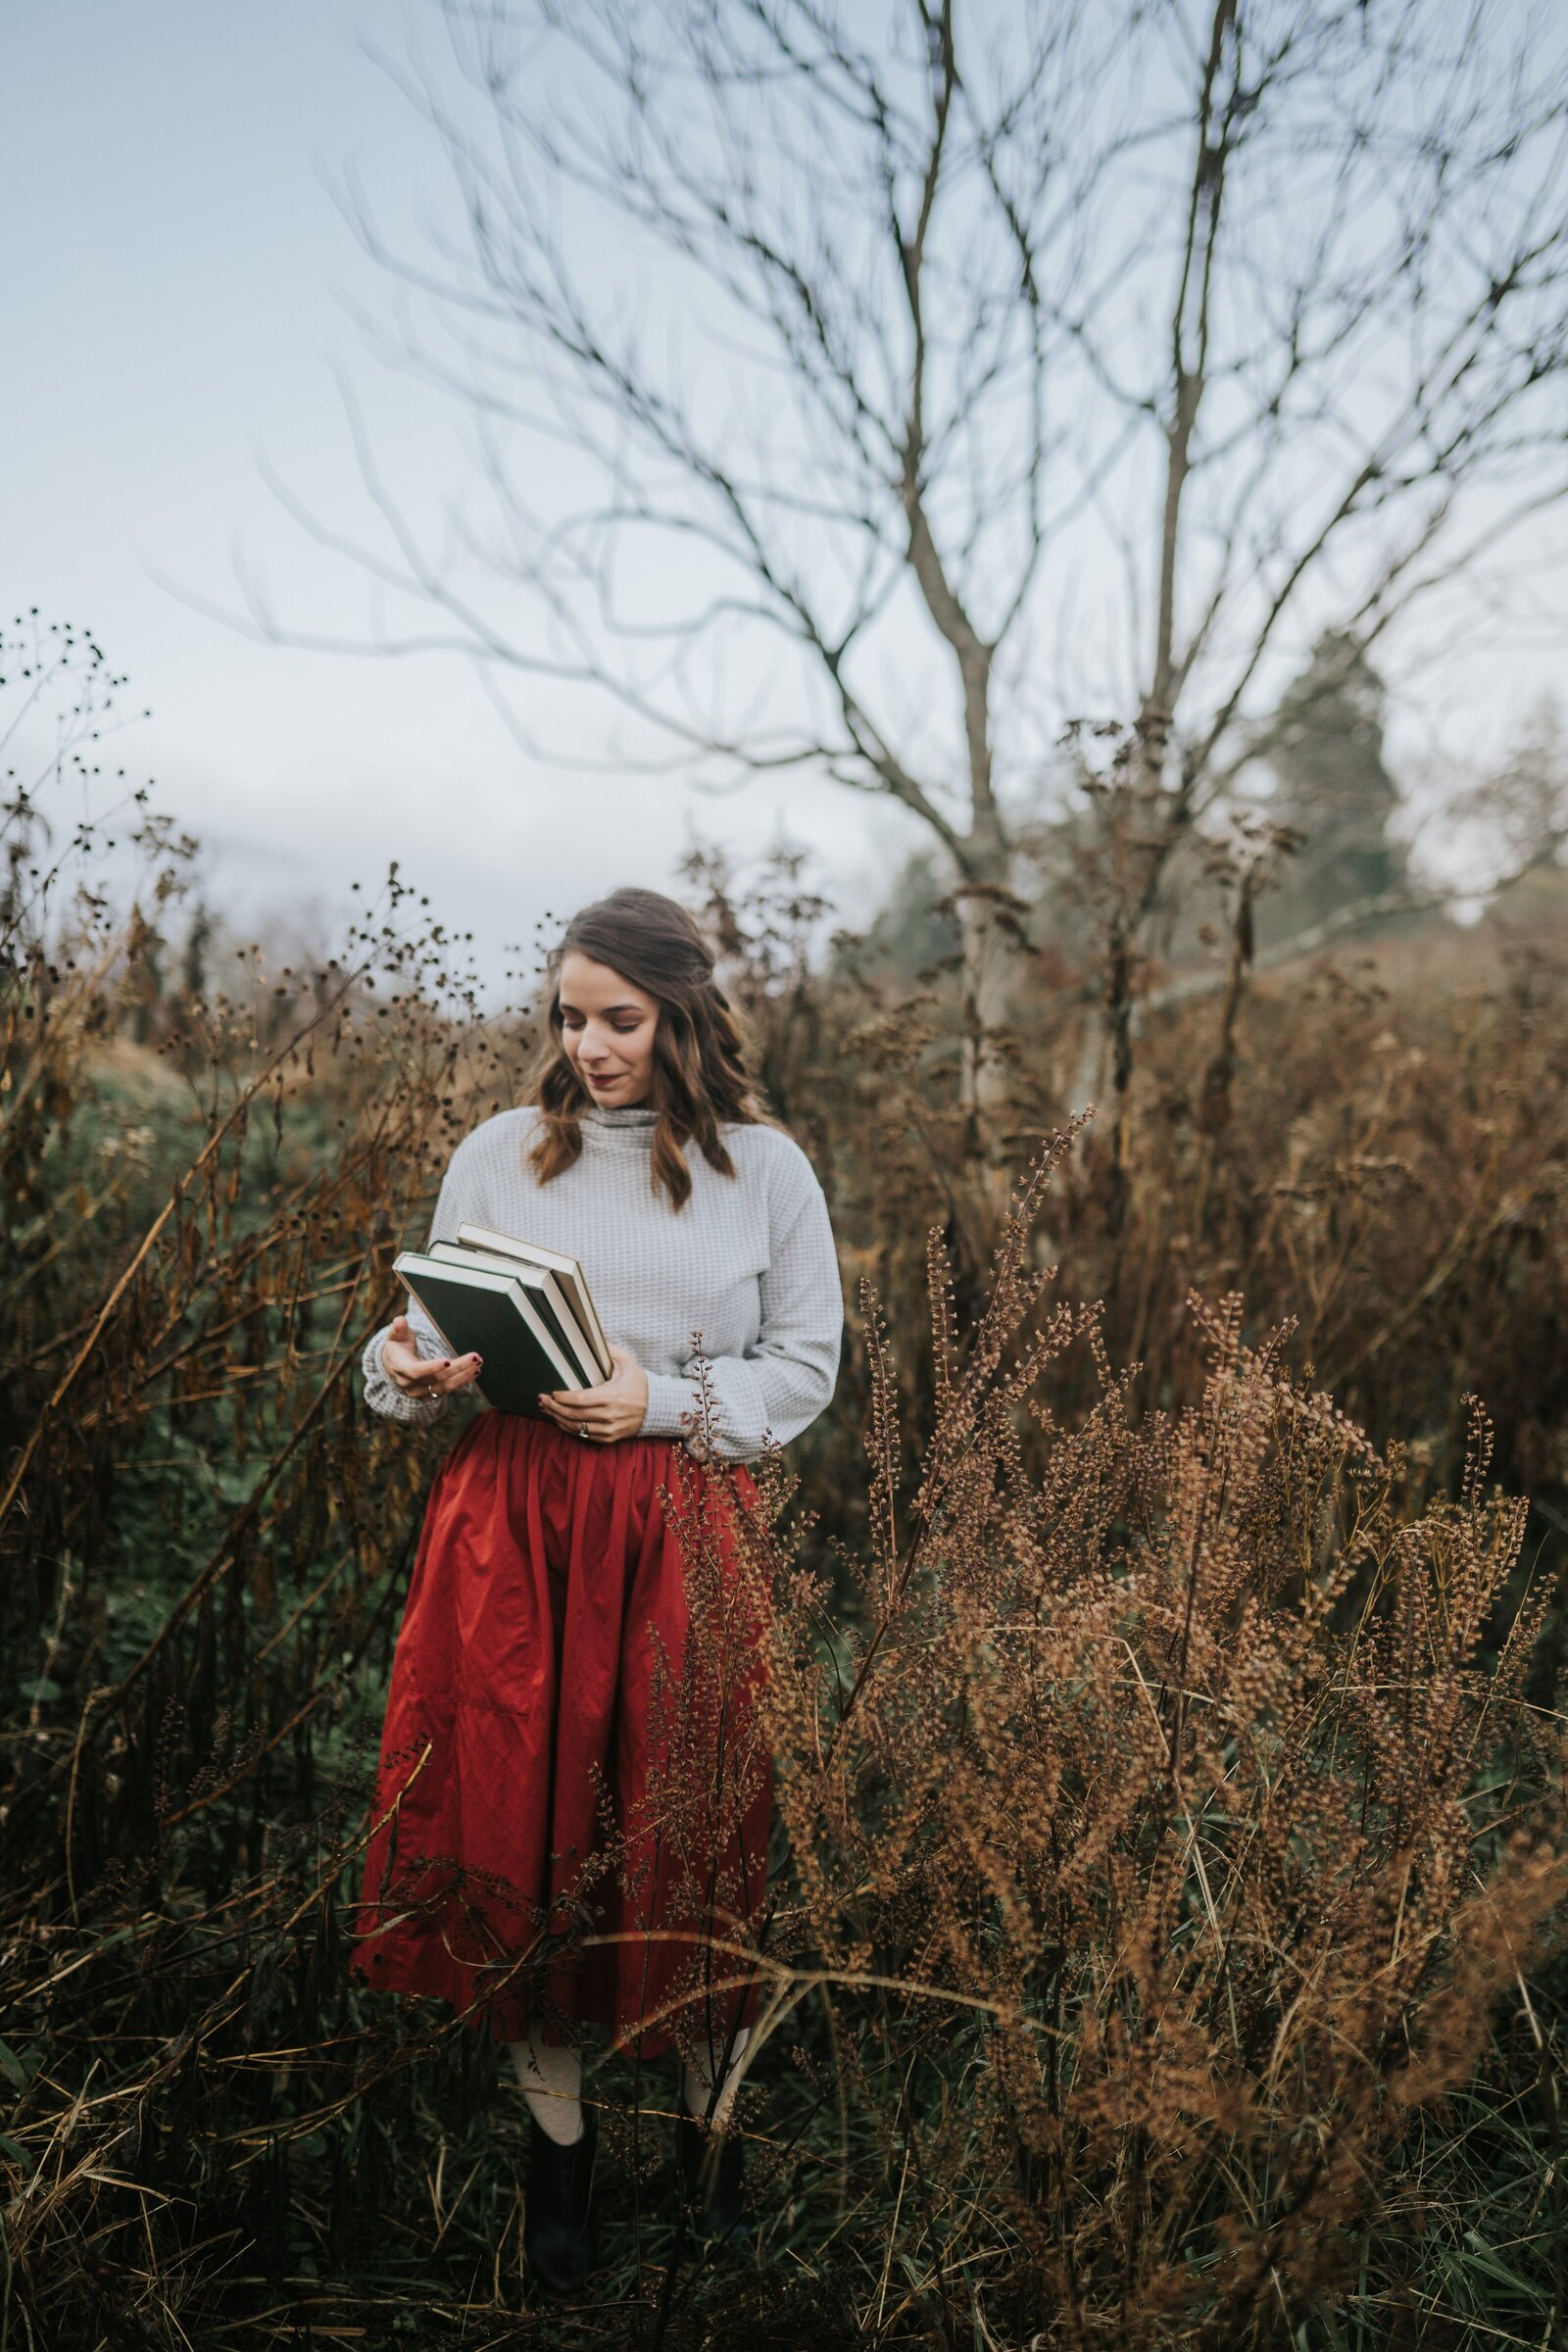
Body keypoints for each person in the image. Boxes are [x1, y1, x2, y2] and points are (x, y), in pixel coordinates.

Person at [350, 887, 842, 2294]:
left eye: (620, 1019)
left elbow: (804, 1371)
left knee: (690, 1823)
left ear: (684, 1016)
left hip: (680, 1527)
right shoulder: (502, 1153)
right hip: (510, 1533)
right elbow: (414, 1338)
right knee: (521, 1826)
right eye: (571, 1017)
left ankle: (715, 2167)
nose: (591, 1045)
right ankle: (556, 2189)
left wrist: (662, 1404)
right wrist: (405, 1371)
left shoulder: (766, 1171)